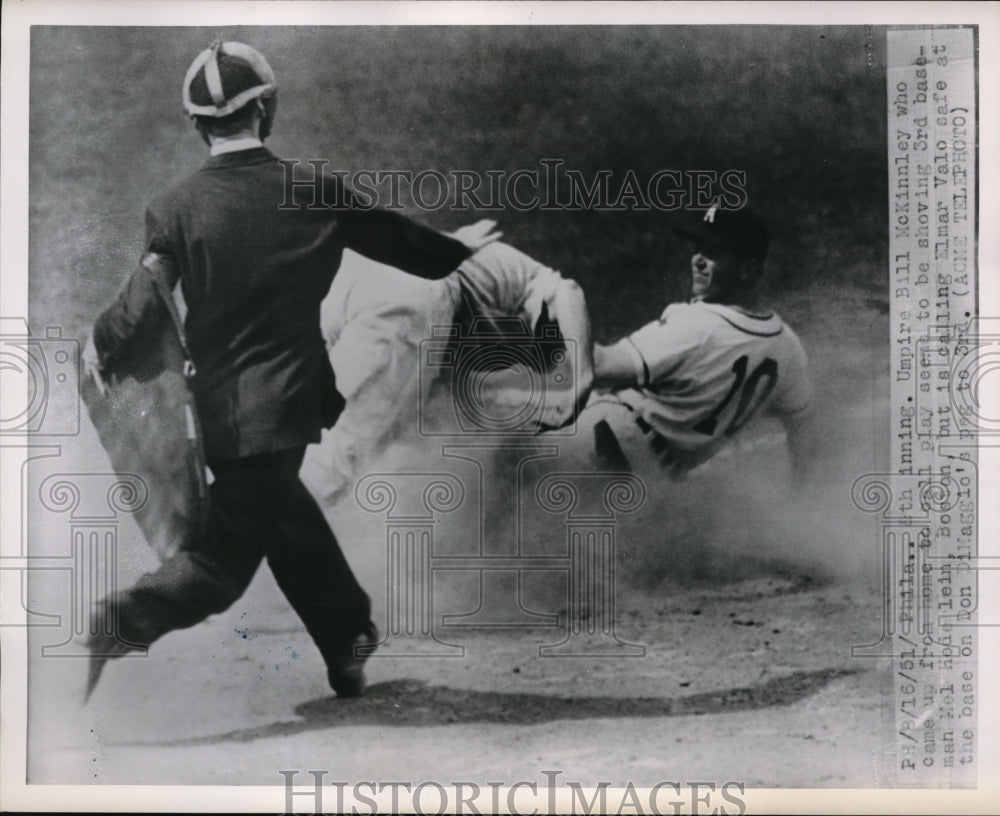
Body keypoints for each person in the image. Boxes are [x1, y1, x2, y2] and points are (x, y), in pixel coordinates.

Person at [80, 40, 496, 701]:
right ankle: (123, 618)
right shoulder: (311, 189)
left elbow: (141, 301)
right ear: (267, 109)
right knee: (221, 568)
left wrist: (100, 344)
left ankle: (347, 640)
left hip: (213, 412)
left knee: (285, 516)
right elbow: (398, 240)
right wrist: (457, 251)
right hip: (283, 406)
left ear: (197, 125)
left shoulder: (173, 208)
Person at [301, 238, 594, 503]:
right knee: (337, 456)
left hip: (355, 278)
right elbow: (568, 292)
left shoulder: (486, 346)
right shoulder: (513, 272)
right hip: (408, 295)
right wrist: (583, 378)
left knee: (294, 422)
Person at [573, 205, 817, 484]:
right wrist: (803, 495)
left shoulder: (697, 326)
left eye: (714, 252)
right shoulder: (788, 347)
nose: (698, 260)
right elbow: (804, 428)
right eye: (698, 248)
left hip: (594, 444)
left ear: (748, 269)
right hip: (651, 481)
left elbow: (597, 367)